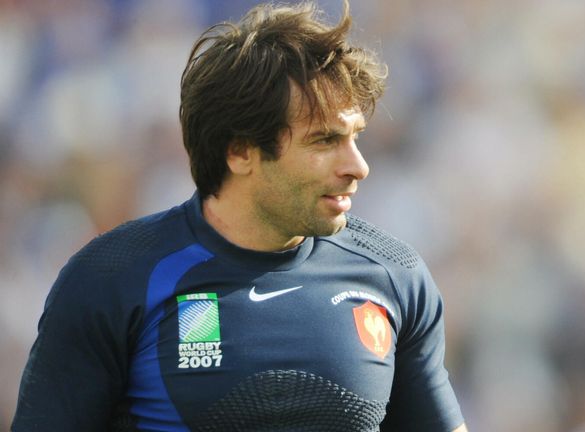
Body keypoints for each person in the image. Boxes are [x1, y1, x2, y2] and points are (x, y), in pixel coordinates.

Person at [12, 1, 467, 431]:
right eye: (324, 141)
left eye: (355, 138)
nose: (357, 166)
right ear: (240, 151)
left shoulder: (394, 276)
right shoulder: (113, 279)